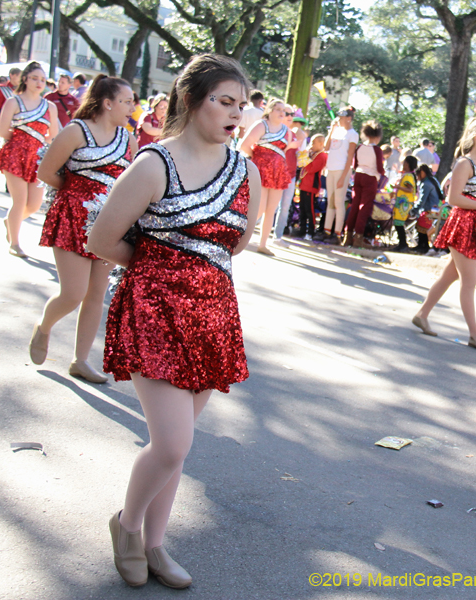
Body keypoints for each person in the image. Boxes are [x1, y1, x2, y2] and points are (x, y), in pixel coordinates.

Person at [86, 54, 261, 589]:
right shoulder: (152, 164)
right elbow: (100, 240)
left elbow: (241, 242)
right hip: (154, 312)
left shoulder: (247, 170)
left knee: (177, 443)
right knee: (173, 444)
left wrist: (194, 274)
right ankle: (128, 526)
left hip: (212, 315)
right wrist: (159, 271)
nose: (236, 114)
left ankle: (157, 547)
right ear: (191, 100)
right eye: (223, 101)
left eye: (242, 104)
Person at [33, 75, 138, 383]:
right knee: (73, 292)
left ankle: (80, 360)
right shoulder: (75, 131)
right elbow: (46, 172)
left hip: (108, 223)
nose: (133, 106)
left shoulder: (128, 141)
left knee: (95, 295)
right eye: (127, 100)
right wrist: (76, 193)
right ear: (108, 103)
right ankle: (44, 328)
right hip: (71, 218)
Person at [411, 117, 476, 350]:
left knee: (451, 275)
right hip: (462, 225)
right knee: (469, 280)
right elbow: (453, 198)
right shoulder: (464, 164)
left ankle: (422, 314)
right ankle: (474, 334)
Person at [0, 62, 60, 257]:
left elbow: (52, 134)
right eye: (34, 78)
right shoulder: (13, 102)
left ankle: (10, 221)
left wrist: (37, 143)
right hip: (14, 154)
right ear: (25, 79)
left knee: (34, 205)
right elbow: (4, 131)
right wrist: (23, 140)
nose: (39, 83)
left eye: (42, 79)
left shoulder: (50, 106)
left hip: (37, 157)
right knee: (20, 201)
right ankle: (15, 242)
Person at [238, 98, 293, 255]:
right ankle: (239, 236)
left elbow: (285, 151)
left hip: (278, 173)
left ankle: (263, 244)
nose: (282, 113)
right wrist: (259, 158)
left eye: (284, 110)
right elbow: (244, 144)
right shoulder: (261, 125)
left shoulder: (287, 131)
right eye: (278, 109)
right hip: (261, 170)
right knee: (259, 207)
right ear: (269, 110)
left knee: (271, 209)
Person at [318, 106, 358, 243]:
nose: (339, 120)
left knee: (339, 202)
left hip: (342, 170)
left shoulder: (353, 134)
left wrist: (344, 176)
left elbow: (350, 156)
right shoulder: (337, 131)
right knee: (331, 201)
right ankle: (327, 230)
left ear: (349, 118)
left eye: (342, 118)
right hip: (331, 169)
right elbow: (326, 148)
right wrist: (332, 130)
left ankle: (337, 233)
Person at [344, 120, 384, 248]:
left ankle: (347, 236)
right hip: (370, 178)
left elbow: (355, 164)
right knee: (364, 208)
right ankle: (359, 237)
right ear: (378, 136)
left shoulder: (360, 147)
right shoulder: (377, 150)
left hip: (358, 176)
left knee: (354, 206)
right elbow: (380, 168)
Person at [273, 107, 303, 243]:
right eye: (288, 114)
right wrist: (289, 146)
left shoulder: (295, 134)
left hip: (290, 174)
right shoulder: (276, 132)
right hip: (277, 173)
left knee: (285, 206)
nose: (291, 116)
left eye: (293, 114)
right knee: (270, 205)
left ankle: (277, 236)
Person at [297, 134, 326, 240]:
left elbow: (312, 168)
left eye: (314, 143)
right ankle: (302, 230)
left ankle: (311, 232)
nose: (311, 145)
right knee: (302, 209)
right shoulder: (312, 154)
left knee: (310, 210)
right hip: (304, 185)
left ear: (321, 144)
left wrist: (305, 160)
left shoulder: (322, 156)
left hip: (311, 186)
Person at [413, 164, 442, 254]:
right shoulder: (433, 180)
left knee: (421, 223)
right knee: (423, 222)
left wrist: (414, 210)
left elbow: (422, 200)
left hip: (429, 210)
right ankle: (422, 245)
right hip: (436, 210)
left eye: (418, 175)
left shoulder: (426, 184)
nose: (417, 177)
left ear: (422, 173)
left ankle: (423, 246)